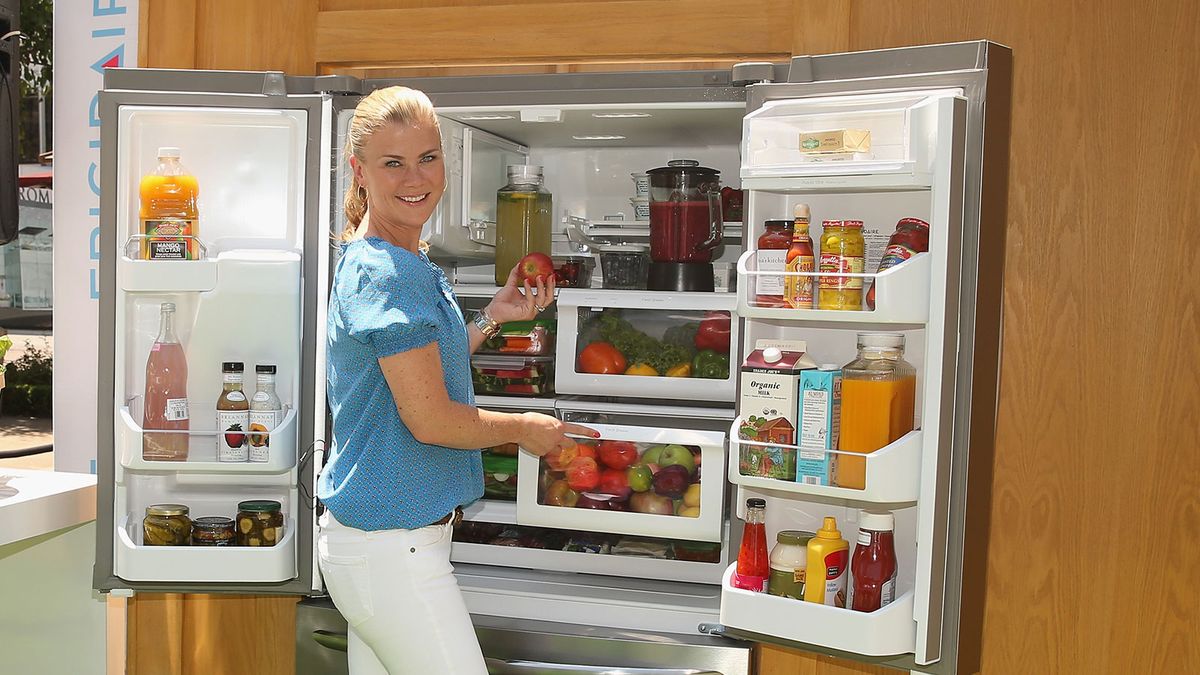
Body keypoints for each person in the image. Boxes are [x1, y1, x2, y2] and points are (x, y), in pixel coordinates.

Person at [316, 86, 595, 675]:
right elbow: (431, 418)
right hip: (390, 550)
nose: (415, 177)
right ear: (358, 171)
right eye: (392, 163)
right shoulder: (388, 273)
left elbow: (409, 374)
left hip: (382, 544)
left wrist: (491, 319)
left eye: (428, 157)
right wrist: (525, 431)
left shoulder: (398, 261)